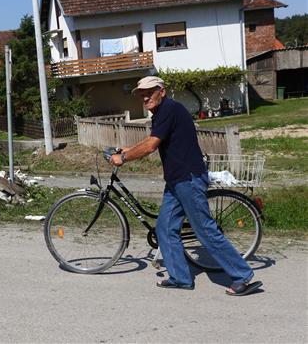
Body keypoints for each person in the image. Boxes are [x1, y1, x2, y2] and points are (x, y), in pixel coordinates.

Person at [110, 76, 262, 296]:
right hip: (177, 180)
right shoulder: (162, 113)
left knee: (205, 230)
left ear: (161, 91)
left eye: (149, 92)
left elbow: (151, 146)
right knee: (165, 228)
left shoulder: (169, 109)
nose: (145, 97)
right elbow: (152, 139)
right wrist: (125, 150)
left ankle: (243, 276)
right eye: (141, 94)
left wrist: (123, 159)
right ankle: (180, 278)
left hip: (188, 179)